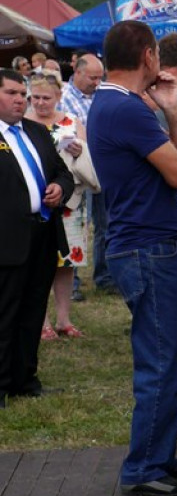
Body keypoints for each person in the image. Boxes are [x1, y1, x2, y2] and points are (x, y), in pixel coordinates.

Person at [88, 21, 177, 496]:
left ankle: (158, 455)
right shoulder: (125, 108)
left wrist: (173, 111)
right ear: (149, 57)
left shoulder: (120, 104)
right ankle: (144, 468)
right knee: (161, 359)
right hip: (149, 248)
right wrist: (169, 117)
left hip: (147, 244)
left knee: (170, 357)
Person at [0, 69, 73, 409]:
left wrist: (60, 186)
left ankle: (25, 377)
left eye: (22, 95)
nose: (20, 100)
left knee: (32, 309)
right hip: (7, 238)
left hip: (42, 233)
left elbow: (62, 170)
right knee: (6, 312)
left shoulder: (36, 131)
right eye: (12, 93)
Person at [25, 73, 99, 340]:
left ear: (58, 97)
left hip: (71, 201)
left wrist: (82, 151)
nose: (41, 103)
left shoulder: (72, 122)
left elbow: (90, 156)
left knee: (67, 262)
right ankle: (41, 322)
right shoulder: (22, 124)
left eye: (46, 98)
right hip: (37, 201)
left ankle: (64, 320)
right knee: (39, 263)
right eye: (36, 98)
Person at [58, 54, 110, 295]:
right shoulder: (63, 98)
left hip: (101, 169)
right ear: (77, 72)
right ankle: (73, 284)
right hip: (76, 172)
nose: (97, 82)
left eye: (100, 77)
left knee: (105, 224)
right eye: (92, 77)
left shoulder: (101, 96)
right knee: (77, 225)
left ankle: (105, 276)